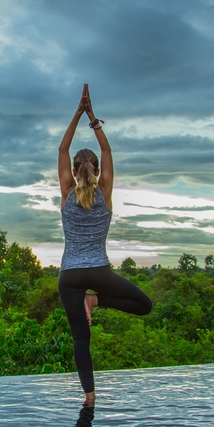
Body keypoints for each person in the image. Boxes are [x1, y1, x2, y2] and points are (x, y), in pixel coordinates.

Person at [58, 84, 152, 405]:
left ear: (74, 172)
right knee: (145, 305)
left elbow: (62, 150)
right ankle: (95, 301)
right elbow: (108, 152)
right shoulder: (105, 193)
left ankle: (90, 398)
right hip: (99, 272)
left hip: (69, 276)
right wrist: (92, 118)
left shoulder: (67, 192)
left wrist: (77, 113)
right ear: (97, 171)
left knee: (80, 338)